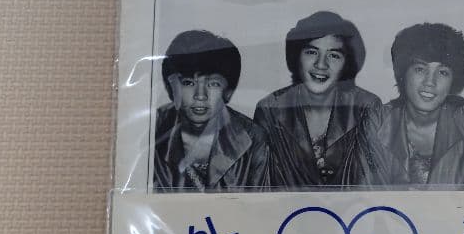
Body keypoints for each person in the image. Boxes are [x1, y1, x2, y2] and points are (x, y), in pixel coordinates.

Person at [356, 23, 464, 188]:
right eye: (420, 69)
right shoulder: (377, 122)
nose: (430, 82)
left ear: (453, 79)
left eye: (443, 72)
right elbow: (371, 196)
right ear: (403, 73)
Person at [254, 10, 381, 189]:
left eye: (333, 55)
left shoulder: (366, 108)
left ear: (346, 63)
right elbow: (261, 189)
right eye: (312, 52)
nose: (321, 64)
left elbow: (373, 187)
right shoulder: (270, 110)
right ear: (297, 55)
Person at [154, 29, 268, 191]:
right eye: (188, 83)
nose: (200, 96)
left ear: (228, 91)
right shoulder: (151, 129)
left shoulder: (252, 138)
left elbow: (261, 203)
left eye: (213, 84)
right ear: (171, 87)